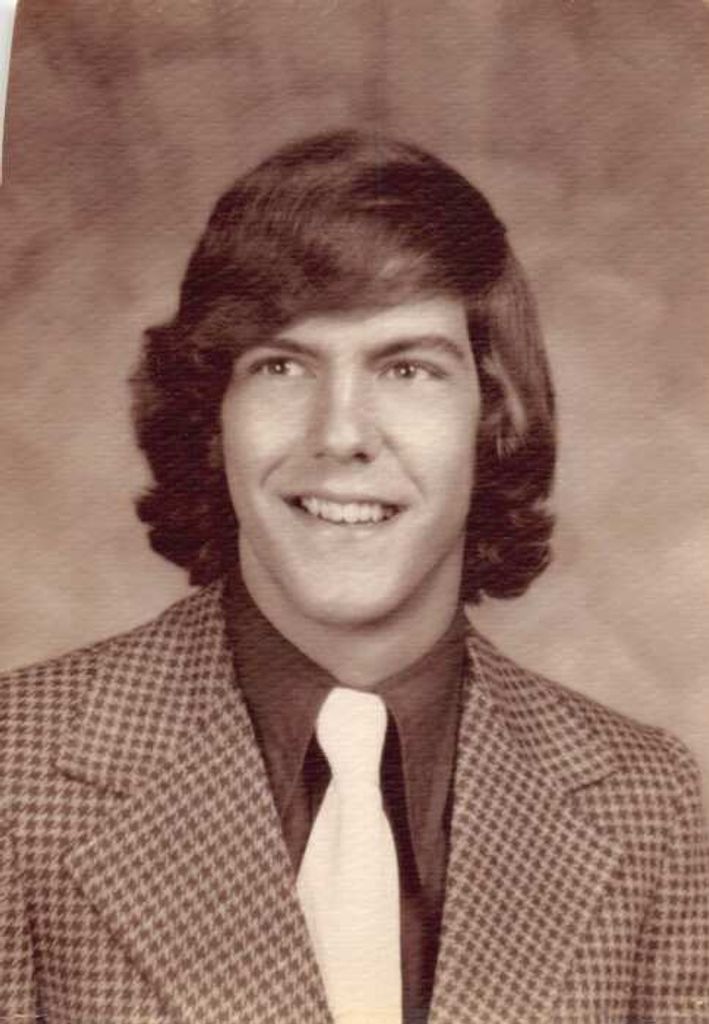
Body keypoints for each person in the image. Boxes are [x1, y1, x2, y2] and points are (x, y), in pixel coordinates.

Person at [1, 130, 707, 1024]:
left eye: (407, 368)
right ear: (210, 418)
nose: (340, 434)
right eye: (281, 365)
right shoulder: (15, 769)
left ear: (494, 418)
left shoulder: (647, 802)